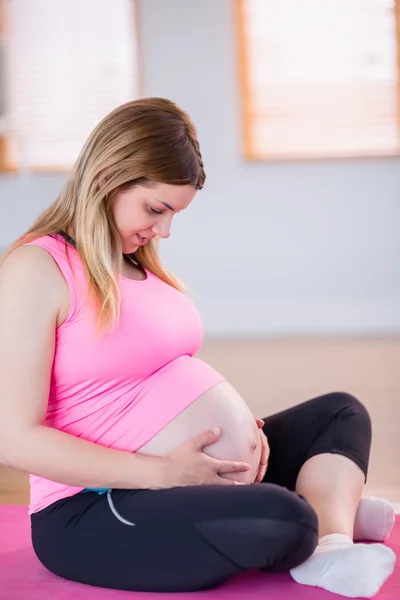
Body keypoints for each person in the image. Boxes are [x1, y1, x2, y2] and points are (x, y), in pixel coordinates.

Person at [0, 97, 396, 598]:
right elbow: (14, 440)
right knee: (283, 519)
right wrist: (163, 473)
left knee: (340, 413)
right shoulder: (37, 270)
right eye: (155, 209)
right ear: (107, 178)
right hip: (91, 509)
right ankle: (317, 507)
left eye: (173, 215)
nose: (162, 230)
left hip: (186, 476)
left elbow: (161, 379)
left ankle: (331, 541)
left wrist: (238, 430)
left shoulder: (138, 266)